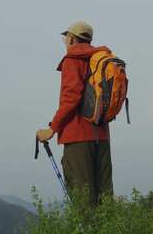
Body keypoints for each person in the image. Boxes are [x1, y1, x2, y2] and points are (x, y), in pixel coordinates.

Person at [36, 21, 113, 206]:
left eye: (65, 38)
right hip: (101, 136)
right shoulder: (100, 59)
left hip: (78, 138)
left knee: (84, 200)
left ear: (71, 39)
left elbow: (71, 99)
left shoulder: (72, 60)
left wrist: (52, 129)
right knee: (105, 200)